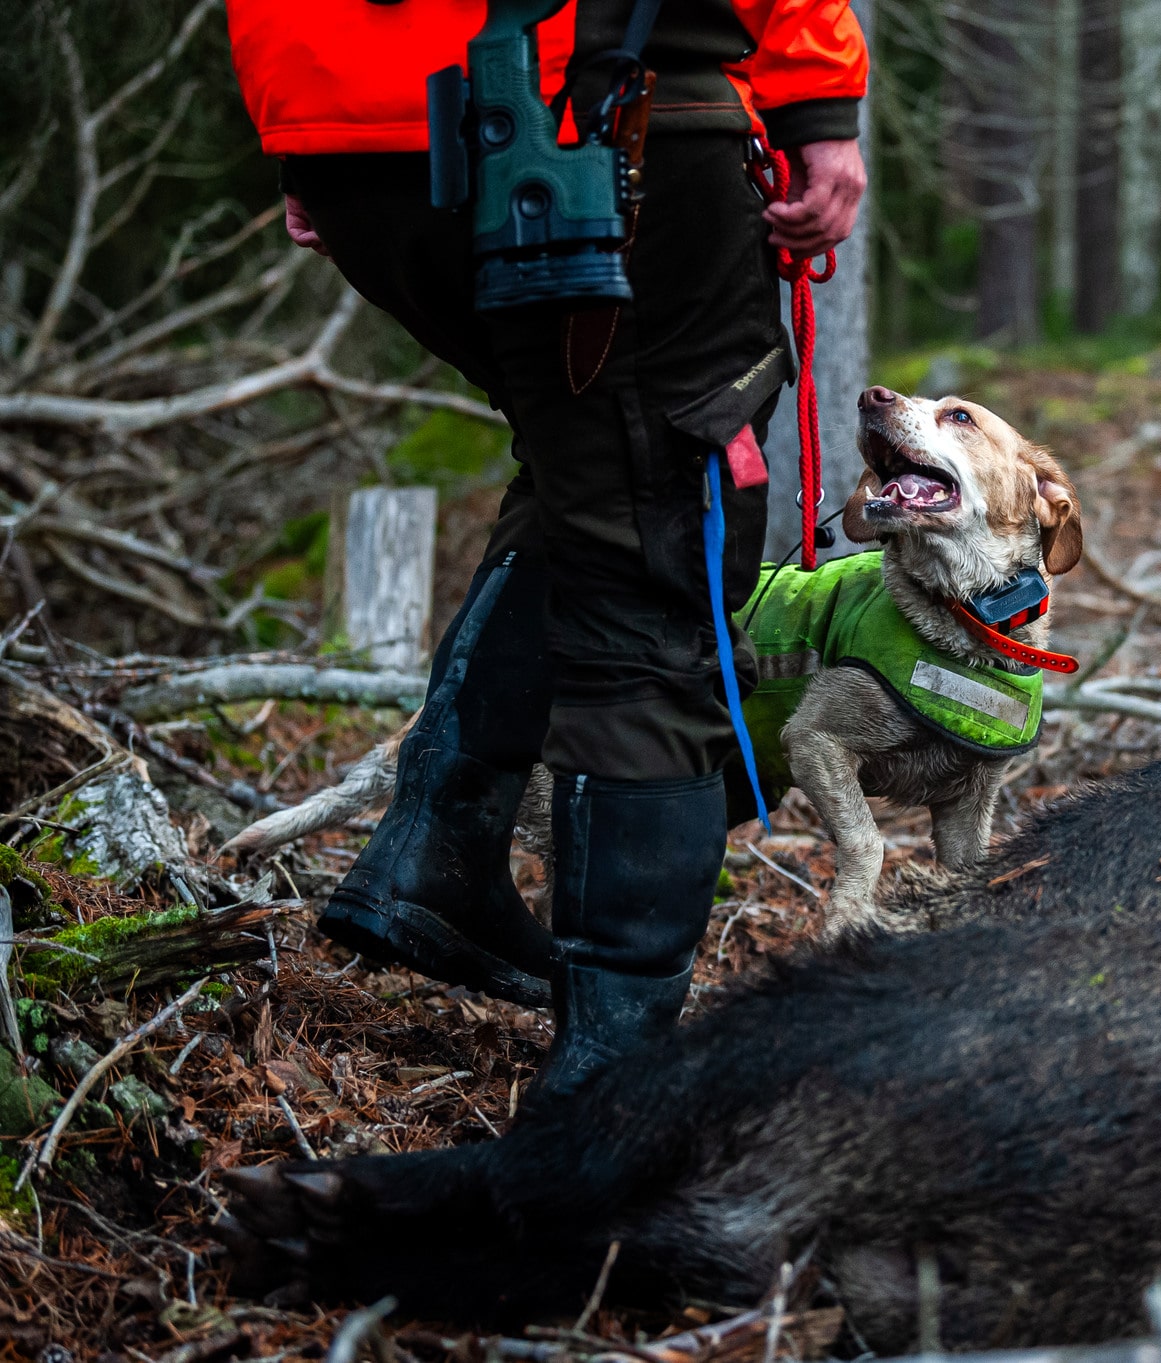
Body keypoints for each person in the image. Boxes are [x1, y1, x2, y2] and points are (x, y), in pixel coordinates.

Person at [224, 0, 868, 1091]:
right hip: (596, 110)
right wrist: (815, 89)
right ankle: (612, 1076)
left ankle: (440, 843)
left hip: (365, 133)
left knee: (598, 466)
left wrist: (314, 123)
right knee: (663, 525)